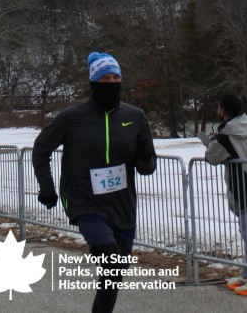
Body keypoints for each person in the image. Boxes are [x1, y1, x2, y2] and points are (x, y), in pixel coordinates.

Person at [33, 52, 157, 313]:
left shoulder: (135, 116)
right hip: (85, 202)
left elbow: (146, 169)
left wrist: (146, 156)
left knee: (115, 272)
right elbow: (41, 149)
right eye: (105, 78)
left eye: (115, 77)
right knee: (111, 260)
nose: (111, 82)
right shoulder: (71, 118)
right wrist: (47, 188)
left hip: (122, 205)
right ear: (93, 82)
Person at [201, 93, 247, 296]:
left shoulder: (227, 134)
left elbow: (212, 157)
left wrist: (211, 143)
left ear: (223, 110)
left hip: (246, 186)